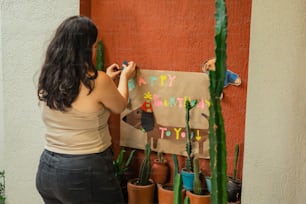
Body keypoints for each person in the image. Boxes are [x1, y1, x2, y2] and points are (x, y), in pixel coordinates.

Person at [35, 15, 136, 204]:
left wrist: (107, 80)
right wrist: (124, 78)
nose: (95, 49)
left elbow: (81, 100)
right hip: (85, 170)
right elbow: (120, 105)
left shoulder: (49, 78)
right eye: (94, 45)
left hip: (48, 169)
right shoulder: (98, 81)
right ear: (85, 49)